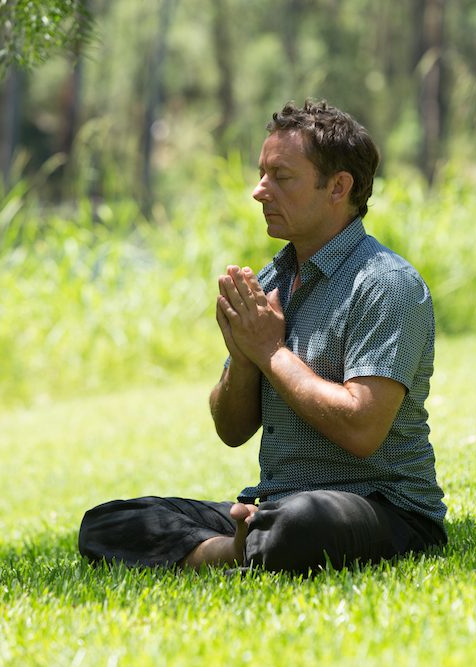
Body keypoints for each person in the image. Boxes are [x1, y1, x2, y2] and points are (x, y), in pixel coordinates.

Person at [78, 100, 446, 574]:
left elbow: (362, 429)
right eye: (261, 173)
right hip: (276, 502)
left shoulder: (385, 283)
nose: (259, 191)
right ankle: (241, 546)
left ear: (338, 187)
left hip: (383, 509)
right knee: (107, 523)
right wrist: (244, 356)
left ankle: (244, 545)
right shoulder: (272, 282)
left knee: (298, 526)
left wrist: (271, 352)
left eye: (281, 176)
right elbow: (231, 430)